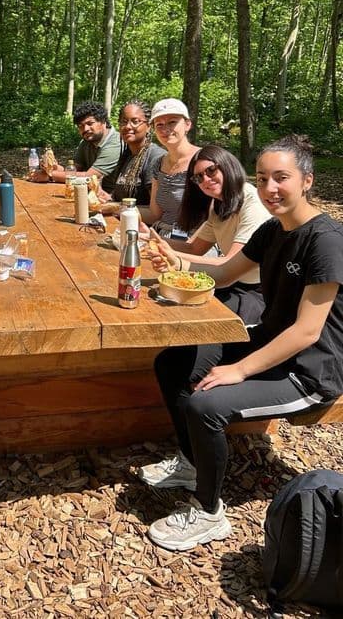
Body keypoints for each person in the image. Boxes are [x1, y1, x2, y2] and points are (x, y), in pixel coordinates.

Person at [139, 135, 343, 552]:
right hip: (270, 344)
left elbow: (307, 331)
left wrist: (240, 369)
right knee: (174, 363)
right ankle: (193, 465)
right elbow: (226, 274)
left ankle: (209, 511)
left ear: (307, 180)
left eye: (281, 178)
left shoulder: (326, 240)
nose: (270, 188)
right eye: (263, 177)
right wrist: (172, 258)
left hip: (309, 371)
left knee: (204, 404)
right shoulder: (273, 229)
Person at [148, 145, 271, 324]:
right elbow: (194, 248)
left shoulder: (252, 201)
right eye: (198, 177)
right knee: (164, 301)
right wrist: (153, 240)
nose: (206, 179)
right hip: (228, 283)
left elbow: (230, 262)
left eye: (211, 170)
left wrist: (175, 258)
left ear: (227, 166)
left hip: (256, 293)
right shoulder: (219, 204)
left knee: (191, 318)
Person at [30, 101, 121, 193]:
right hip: (89, 193)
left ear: (103, 122)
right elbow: (72, 170)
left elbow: (90, 177)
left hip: (112, 199)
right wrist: (53, 167)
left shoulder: (115, 143)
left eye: (90, 123)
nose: (85, 129)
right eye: (81, 126)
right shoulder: (87, 141)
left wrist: (50, 176)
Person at [140, 98, 199, 238]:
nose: (165, 129)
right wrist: (119, 209)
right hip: (161, 236)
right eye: (159, 124)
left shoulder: (203, 161)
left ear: (187, 124)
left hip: (194, 242)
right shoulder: (158, 164)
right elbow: (155, 214)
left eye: (172, 122)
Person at [98, 99, 165, 208]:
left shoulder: (155, 157)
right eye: (124, 121)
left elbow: (156, 210)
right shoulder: (127, 155)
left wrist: (115, 207)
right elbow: (120, 198)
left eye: (135, 121)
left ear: (149, 126)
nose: (128, 126)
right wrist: (107, 198)